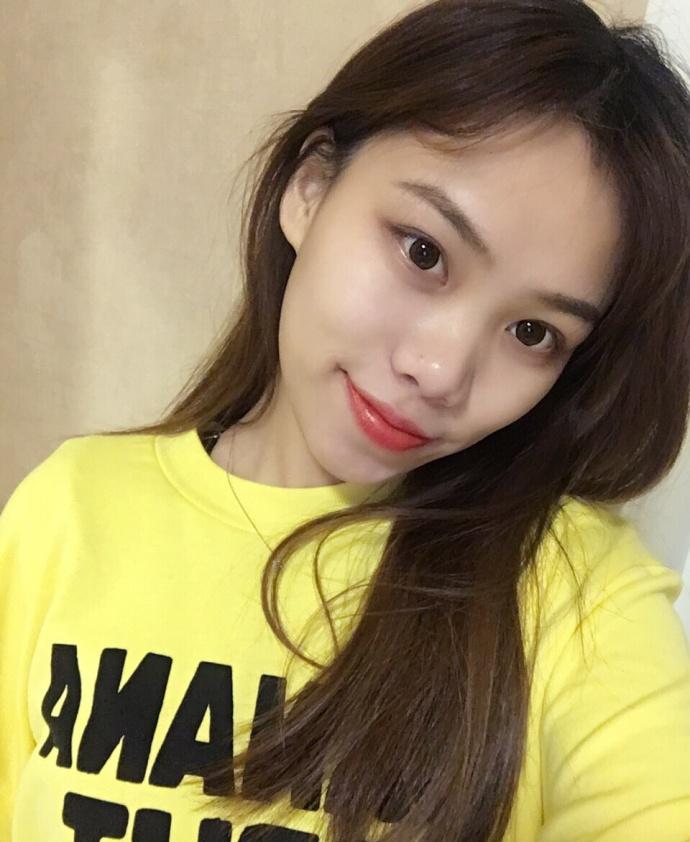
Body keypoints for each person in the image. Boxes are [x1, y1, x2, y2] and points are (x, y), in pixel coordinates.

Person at [2, 0, 690, 839]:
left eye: (532, 333)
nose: (440, 371)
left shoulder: (574, 594)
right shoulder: (69, 510)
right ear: (310, 188)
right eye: (424, 252)